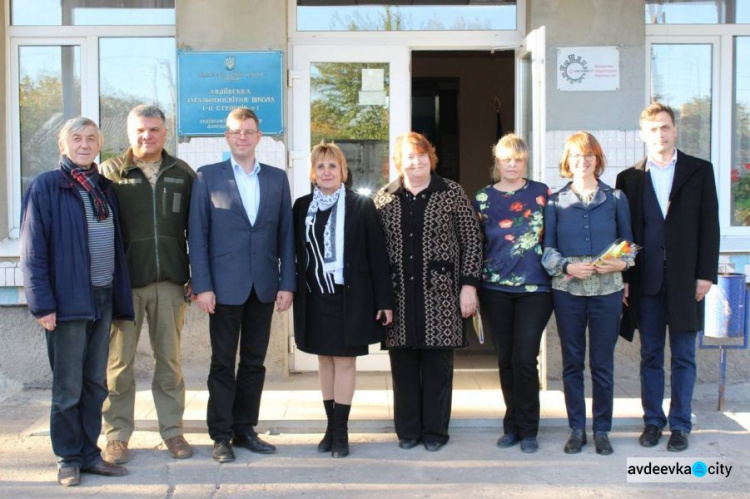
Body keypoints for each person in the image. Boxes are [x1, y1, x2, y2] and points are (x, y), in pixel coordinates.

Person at [20, 117, 134, 486]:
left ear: (99, 144)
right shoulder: (47, 187)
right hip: (67, 302)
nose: (84, 144)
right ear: (62, 144)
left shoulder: (103, 187)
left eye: (91, 138)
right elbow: (32, 251)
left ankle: (89, 453)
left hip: (102, 297)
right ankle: (68, 457)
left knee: (95, 384)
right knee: (67, 387)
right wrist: (43, 304)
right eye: (76, 138)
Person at [188, 107, 295, 463]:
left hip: (264, 287)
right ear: (227, 136)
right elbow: (197, 237)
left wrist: (287, 283)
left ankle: (245, 428)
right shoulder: (207, 177)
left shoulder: (278, 179)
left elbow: (286, 235)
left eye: (249, 131)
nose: (243, 136)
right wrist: (202, 286)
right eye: (236, 131)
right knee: (222, 362)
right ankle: (220, 434)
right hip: (222, 289)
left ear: (259, 137)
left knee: (254, 362)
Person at [616, 103, 719, 452]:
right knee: (651, 355)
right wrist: (626, 277)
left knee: (685, 356)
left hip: (686, 281)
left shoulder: (699, 171)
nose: (659, 134)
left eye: (665, 127)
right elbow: (624, 234)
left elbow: (710, 226)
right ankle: (652, 422)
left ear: (675, 130)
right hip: (645, 283)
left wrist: (705, 274)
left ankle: (680, 424)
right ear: (643, 135)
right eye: (653, 129)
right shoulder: (629, 178)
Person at [372, 132, 482, 452]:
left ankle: (435, 433)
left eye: (421, 155)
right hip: (399, 297)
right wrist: (380, 298)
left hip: (443, 296)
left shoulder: (451, 192)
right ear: (398, 162)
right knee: (403, 369)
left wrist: (469, 287)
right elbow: (376, 253)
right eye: (409, 156)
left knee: (437, 370)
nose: (416, 161)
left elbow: (471, 241)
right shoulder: (384, 198)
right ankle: (407, 432)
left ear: (430, 158)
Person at [100, 105, 195, 463]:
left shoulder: (182, 174)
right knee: (119, 365)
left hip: (171, 283)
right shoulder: (110, 174)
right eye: (140, 130)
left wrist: (195, 275)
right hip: (124, 285)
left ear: (165, 133)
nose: (147, 136)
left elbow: (197, 231)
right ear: (129, 133)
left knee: (169, 363)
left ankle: (173, 431)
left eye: (154, 130)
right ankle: (117, 435)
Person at [292, 142, 394, 458]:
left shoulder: (361, 205)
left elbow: (378, 255)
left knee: (345, 362)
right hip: (314, 297)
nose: (326, 172)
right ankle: (329, 427)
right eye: (320, 166)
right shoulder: (300, 206)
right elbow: (295, 253)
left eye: (332, 166)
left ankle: (342, 432)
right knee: (324, 361)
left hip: (350, 298)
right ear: (312, 172)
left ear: (343, 172)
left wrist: (384, 300)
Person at [542, 132, 634, 456]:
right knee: (572, 363)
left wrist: (620, 264)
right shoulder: (555, 201)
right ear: (568, 161)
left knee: (602, 363)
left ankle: (602, 430)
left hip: (607, 292)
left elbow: (631, 245)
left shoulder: (616, 198)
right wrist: (567, 267)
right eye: (577, 156)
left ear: (598, 159)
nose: (584, 162)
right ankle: (576, 428)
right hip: (568, 292)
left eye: (589, 155)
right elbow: (547, 250)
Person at [473, 133, 552, 453]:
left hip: (536, 288)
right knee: (506, 358)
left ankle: (529, 428)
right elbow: (475, 245)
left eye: (518, 159)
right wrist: (472, 287)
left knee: (524, 357)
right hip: (495, 289)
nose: (512, 164)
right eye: (507, 159)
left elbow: (554, 238)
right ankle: (512, 425)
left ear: (525, 161)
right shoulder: (482, 198)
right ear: (497, 162)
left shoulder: (542, 194)